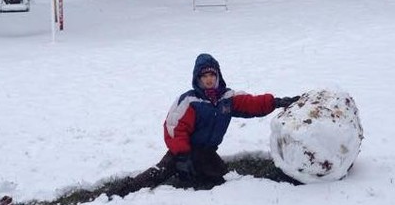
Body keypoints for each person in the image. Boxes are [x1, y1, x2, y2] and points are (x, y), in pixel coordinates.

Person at [116, 53, 299, 194]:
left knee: (220, 178)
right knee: (159, 173)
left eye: (212, 74)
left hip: (206, 152)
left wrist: (276, 102)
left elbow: (251, 104)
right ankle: (125, 190)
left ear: (218, 76)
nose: (209, 79)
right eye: (205, 76)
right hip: (182, 152)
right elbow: (174, 128)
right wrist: (182, 157)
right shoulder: (189, 100)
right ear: (198, 78)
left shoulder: (227, 98)